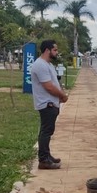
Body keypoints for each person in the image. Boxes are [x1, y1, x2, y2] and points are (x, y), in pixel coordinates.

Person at [31, 40, 69, 170]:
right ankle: (44, 160)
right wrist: (62, 96)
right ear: (47, 50)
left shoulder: (48, 65)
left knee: (47, 131)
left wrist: (60, 96)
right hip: (46, 104)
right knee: (46, 132)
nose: (57, 52)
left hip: (51, 104)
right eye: (55, 50)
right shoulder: (40, 65)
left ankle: (47, 156)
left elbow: (54, 83)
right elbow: (48, 87)